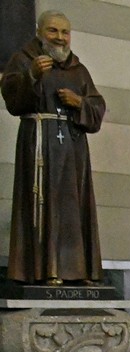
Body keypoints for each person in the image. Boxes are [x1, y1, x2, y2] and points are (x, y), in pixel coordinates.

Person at [2, 10, 105, 286]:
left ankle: (77, 271)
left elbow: (97, 108)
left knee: (74, 206)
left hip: (73, 148)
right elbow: (12, 100)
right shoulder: (23, 60)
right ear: (39, 32)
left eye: (64, 32)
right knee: (41, 202)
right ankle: (41, 271)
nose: (59, 37)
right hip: (39, 142)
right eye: (52, 31)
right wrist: (32, 76)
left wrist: (79, 102)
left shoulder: (78, 70)